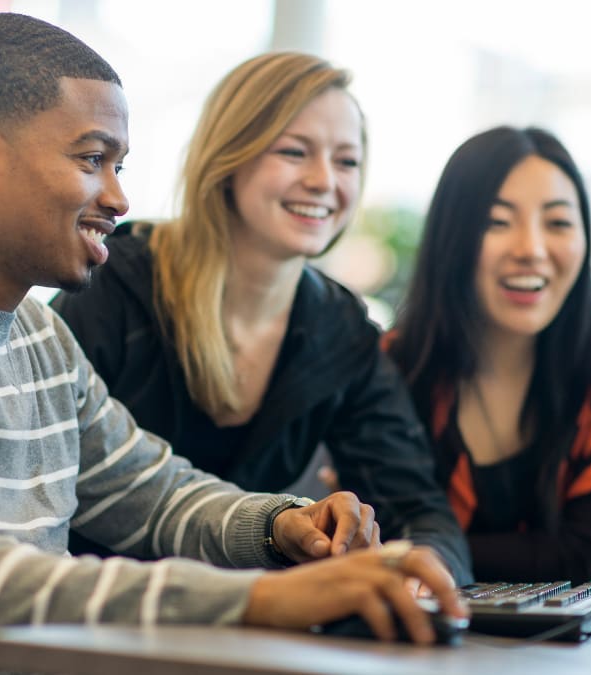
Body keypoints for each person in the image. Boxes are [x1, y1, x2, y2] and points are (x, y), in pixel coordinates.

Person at [0, 14, 465, 673]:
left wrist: (286, 523)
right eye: (92, 158)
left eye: (120, 167)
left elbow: (155, 496)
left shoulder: (40, 335)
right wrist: (260, 600)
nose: (119, 198)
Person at [50, 51, 472, 583]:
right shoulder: (115, 286)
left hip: (246, 631)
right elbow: (46, 490)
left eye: (346, 161)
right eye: (296, 152)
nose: (324, 181)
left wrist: (423, 581)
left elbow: (420, 511)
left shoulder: (341, 329)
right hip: (97, 623)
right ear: (229, 157)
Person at [385, 126, 591, 584]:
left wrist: (424, 549)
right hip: (414, 633)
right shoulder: (395, 364)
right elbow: (384, 542)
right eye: (496, 222)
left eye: (559, 222)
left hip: (555, 644)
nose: (532, 250)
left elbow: (578, 555)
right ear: (453, 238)